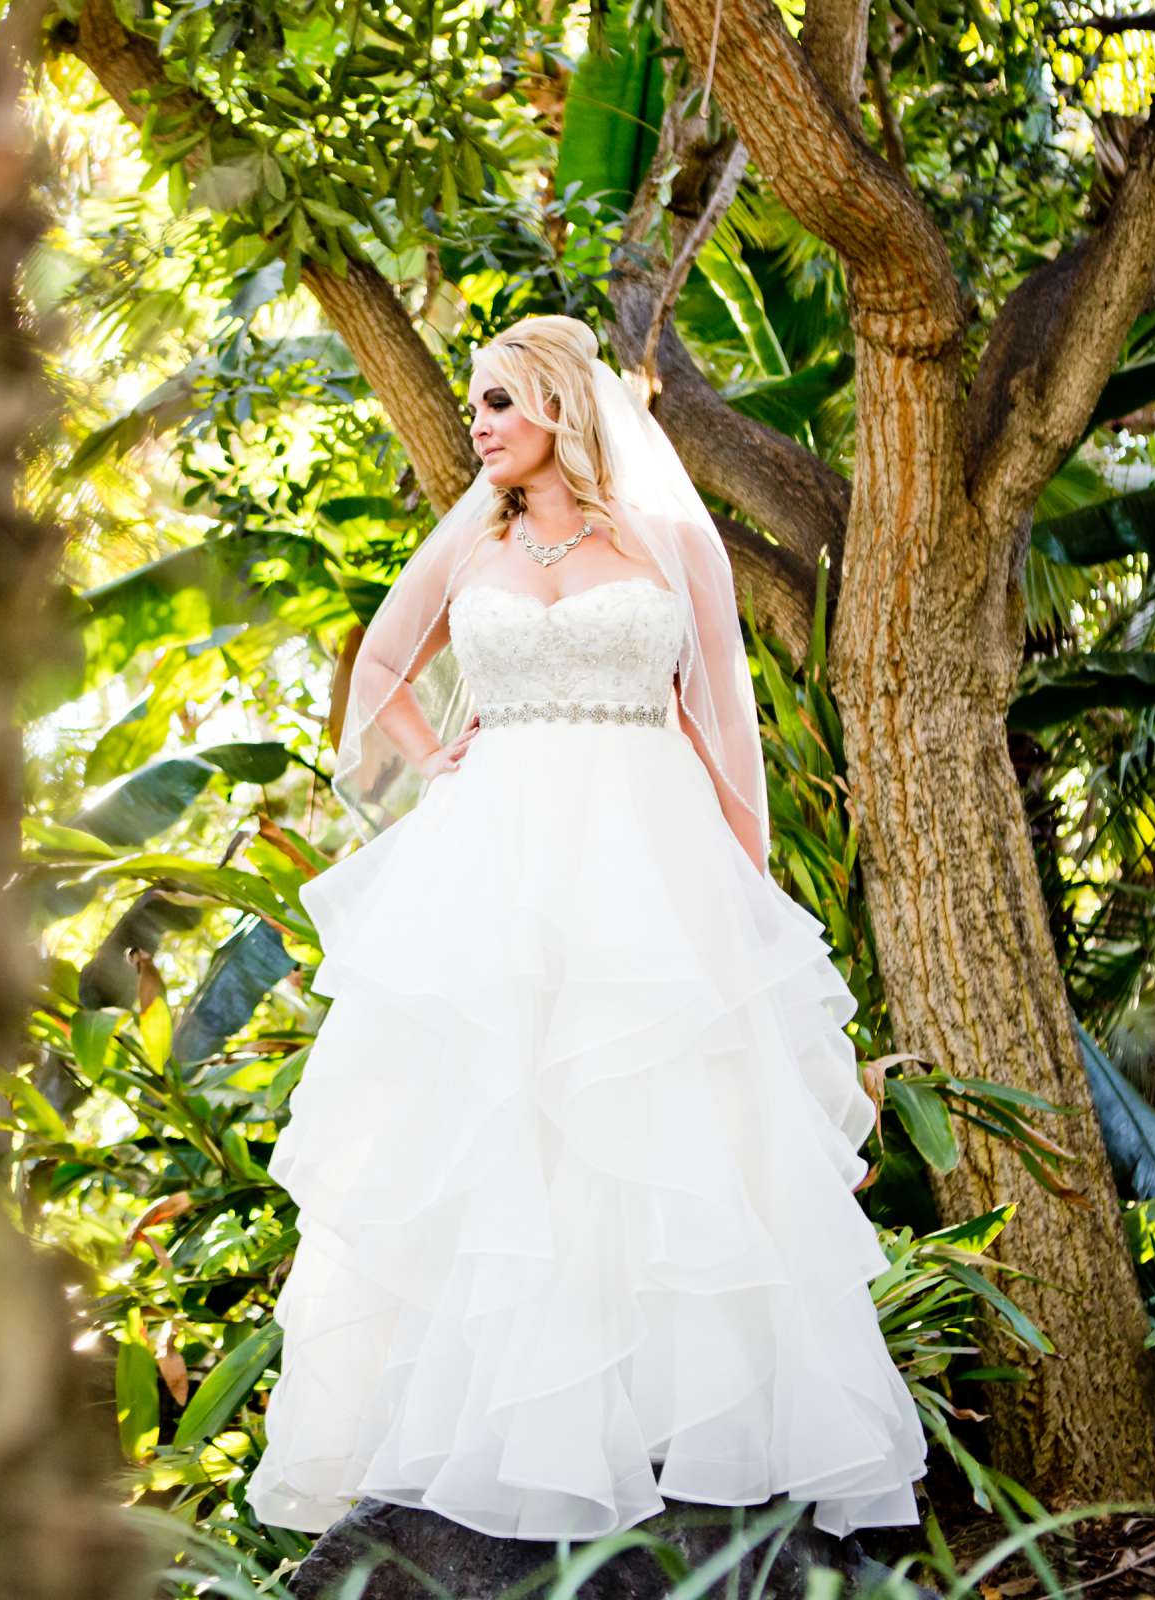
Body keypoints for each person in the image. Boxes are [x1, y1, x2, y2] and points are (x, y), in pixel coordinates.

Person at [243, 314, 929, 1542]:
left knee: (654, 1125)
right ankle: (502, 1450)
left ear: (559, 404)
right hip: (496, 860)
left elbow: (728, 738)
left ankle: (676, 1438)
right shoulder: (471, 548)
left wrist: (748, 913)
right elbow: (380, 677)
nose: (479, 425)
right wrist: (437, 758)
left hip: (647, 860)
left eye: (498, 402)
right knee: (498, 1126)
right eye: (474, 405)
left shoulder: (674, 544)